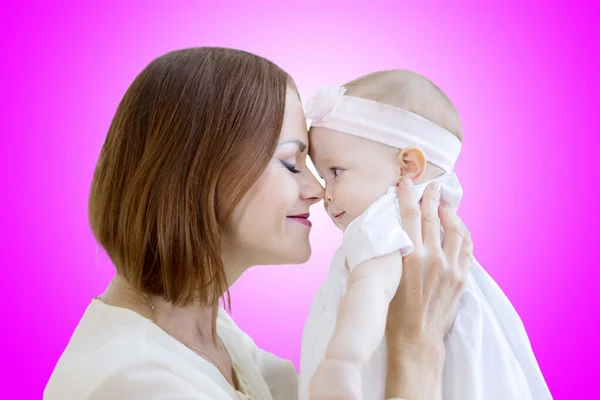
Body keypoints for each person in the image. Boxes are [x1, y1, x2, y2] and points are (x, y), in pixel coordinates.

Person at [44, 48, 473, 400]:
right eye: (291, 163)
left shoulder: (214, 339)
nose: (316, 190)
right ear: (199, 171)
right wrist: (417, 346)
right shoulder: (135, 382)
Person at [300, 70, 551, 400]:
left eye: (336, 172)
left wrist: (343, 361)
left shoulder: (383, 219)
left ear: (407, 167)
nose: (324, 193)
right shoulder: (429, 229)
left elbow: (371, 287)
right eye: (322, 175)